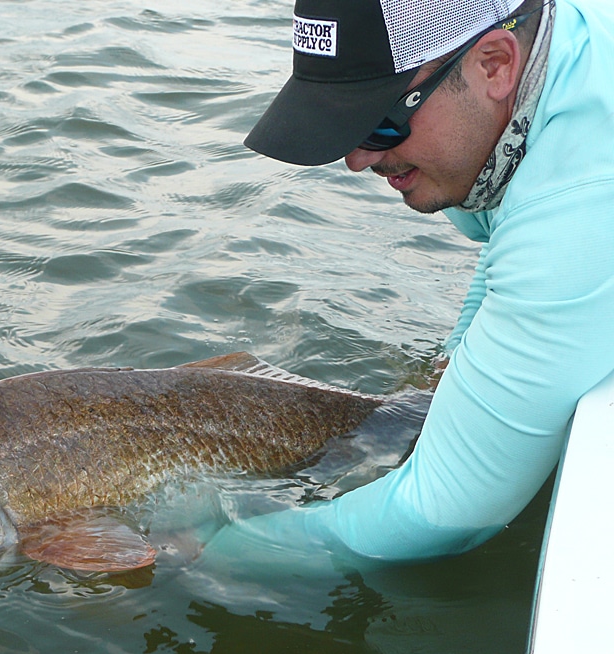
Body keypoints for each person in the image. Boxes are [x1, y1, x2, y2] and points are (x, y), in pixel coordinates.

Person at [204, 0, 614, 566]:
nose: (356, 158)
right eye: (343, 128)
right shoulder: (562, 46)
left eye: (379, 122)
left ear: (494, 64)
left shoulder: (583, 201)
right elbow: (505, 245)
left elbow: (446, 513)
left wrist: (209, 551)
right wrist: (450, 370)